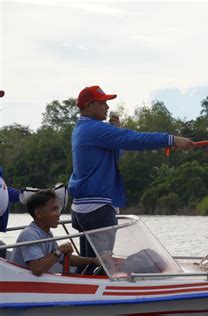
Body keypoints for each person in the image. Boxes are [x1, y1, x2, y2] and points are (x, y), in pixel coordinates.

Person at [68, 85, 193, 271]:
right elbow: (133, 139)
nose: (107, 107)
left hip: (84, 207)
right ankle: (99, 296)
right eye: (102, 103)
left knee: (90, 262)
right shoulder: (94, 129)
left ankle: (81, 289)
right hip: (97, 209)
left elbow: (115, 154)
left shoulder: (83, 128)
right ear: (88, 106)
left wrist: (114, 133)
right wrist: (171, 140)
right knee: (102, 265)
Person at [10, 190, 101, 276]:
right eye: (54, 209)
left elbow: (62, 258)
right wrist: (59, 249)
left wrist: (93, 260)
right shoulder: (30, 234)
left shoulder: (46, 234)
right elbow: (37, 269)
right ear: (38, 213)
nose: (58, 214)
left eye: (58, 209)